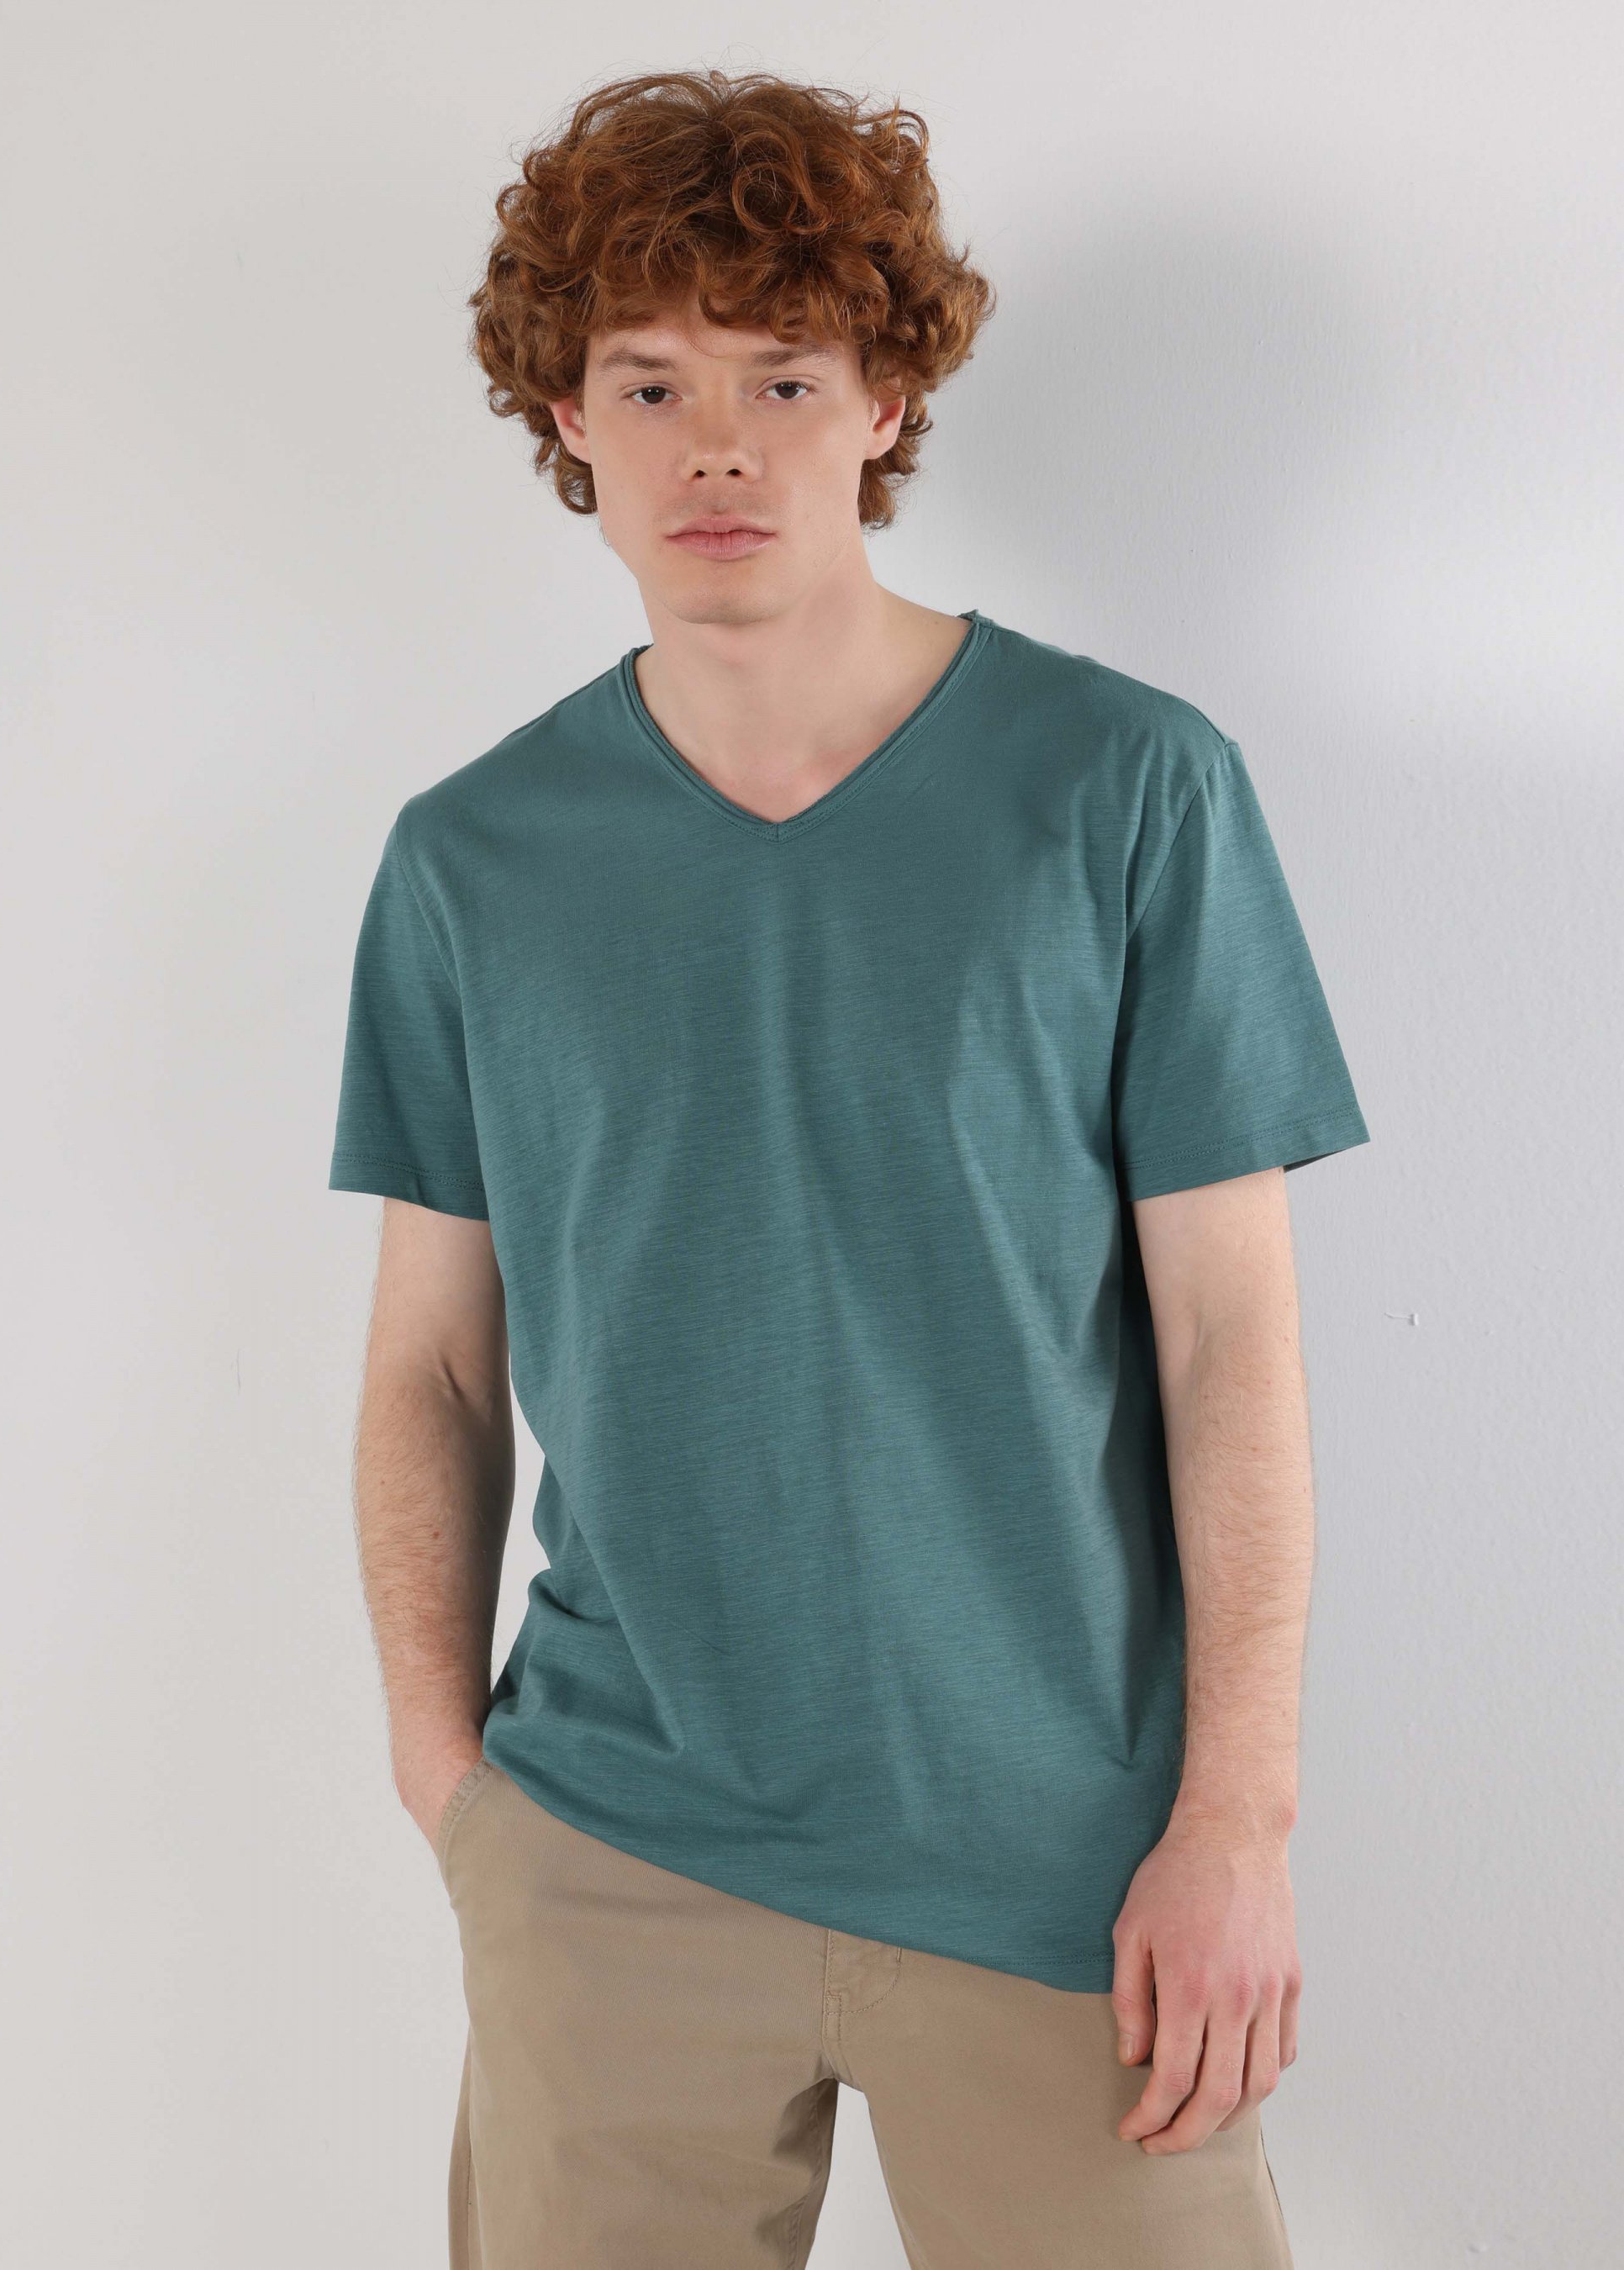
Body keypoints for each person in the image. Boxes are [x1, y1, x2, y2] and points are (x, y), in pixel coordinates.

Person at [327, 66, 1368, 2270]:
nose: (717, 445)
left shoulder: (1129, 790)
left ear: (884, 400)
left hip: (1068, 1864)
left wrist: (1236, 1820)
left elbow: (1230, 1344)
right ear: (567, 414)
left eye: (782, 377)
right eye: (651, 382)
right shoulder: (470, 862)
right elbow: (431, 1364)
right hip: (610, 1851)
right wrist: (452, 1788)